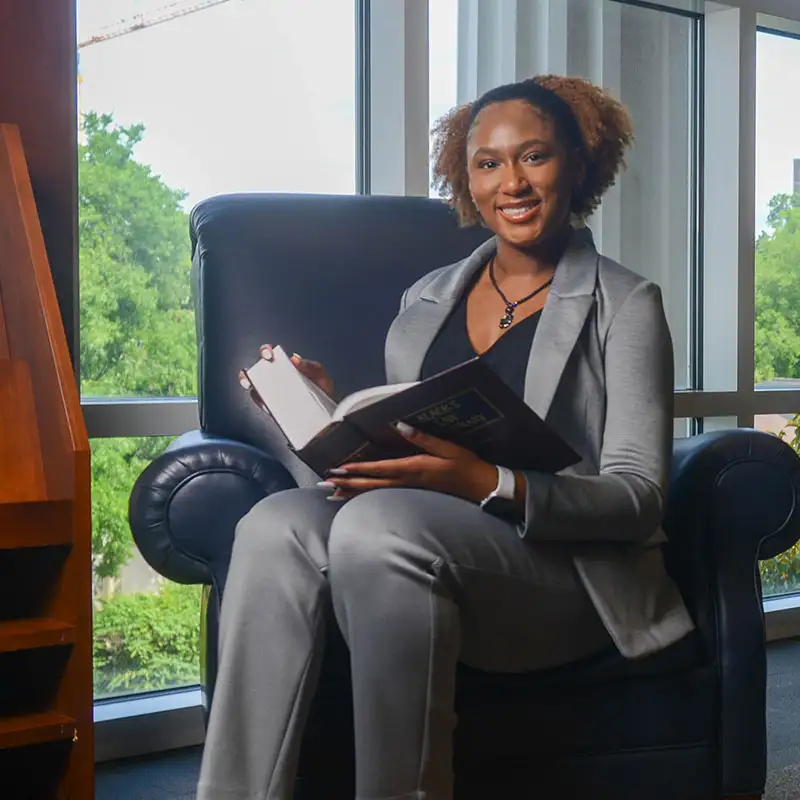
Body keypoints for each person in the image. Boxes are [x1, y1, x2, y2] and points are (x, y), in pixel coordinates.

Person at [196, 75, 694, 800]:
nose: (511, 183)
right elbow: (405, 448)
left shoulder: (628, 304)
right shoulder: (425, 299)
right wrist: (321, 411)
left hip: (564, 577)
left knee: (378, 531)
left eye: (535, 157)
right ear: (467, 179)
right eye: (488, 163)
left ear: (577, 167)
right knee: (274, 525)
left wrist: (484, 481)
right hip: (420, 548)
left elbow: (639, 499)